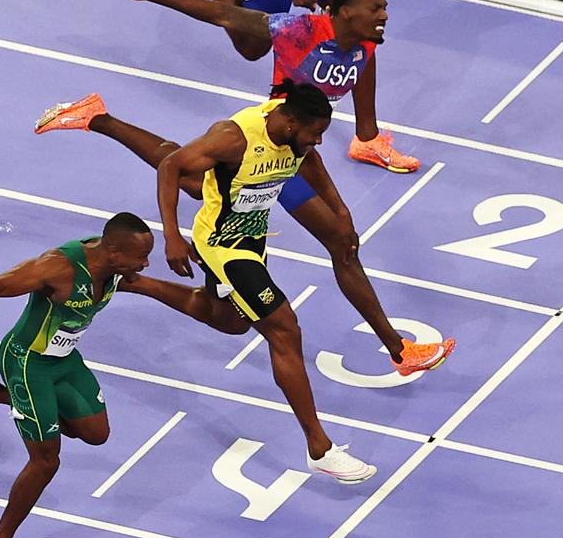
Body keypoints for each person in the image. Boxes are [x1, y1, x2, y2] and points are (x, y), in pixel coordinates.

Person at [34, 84, 453, 482]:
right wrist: (173, 236)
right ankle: (320, 449)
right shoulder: (234, 138)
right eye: (315, 132)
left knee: (231, 320)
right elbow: (170, 166)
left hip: (252, 239)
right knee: (283, 328)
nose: (321, 141)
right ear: (289, 123)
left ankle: (131, 283)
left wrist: (339, 209)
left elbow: (311, 160)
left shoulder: (296, 141)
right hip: (223, 245)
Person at [0, 212, 209, 538]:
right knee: (46, 461)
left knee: (95, 432)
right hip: (27, 363)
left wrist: (206, 301)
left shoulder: (113, 267)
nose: (143, 265)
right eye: (139, 258)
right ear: (112, 252)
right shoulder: (57, 269)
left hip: (64, 360)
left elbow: (149, 286)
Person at [99, 0, 418, 173]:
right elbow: (223, 14)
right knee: (193, 181)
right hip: (277, 132)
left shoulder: (367, 40)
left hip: (305, 140)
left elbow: (361, 64)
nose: (385, 16)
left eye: (384, 8)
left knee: (341, 235)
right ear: (346, 14)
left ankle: (367, 141)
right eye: (376, 9)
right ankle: (101, 120)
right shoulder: (299, 31)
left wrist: (366, 132)